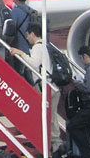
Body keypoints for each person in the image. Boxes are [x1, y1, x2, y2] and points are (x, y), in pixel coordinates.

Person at [10, 23, 64, 154]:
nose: (27, 38)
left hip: (44, 87)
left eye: (28, 35)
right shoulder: (46, 46)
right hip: (52, 86)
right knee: (51, 118)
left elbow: (33, 63)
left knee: (46, 118)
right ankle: (55, 146)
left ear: (32, 34)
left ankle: (54, 147)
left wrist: (21, 53)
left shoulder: (37, 47)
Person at [5, 0, 33, 83]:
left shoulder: (15, 11)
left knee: (20, 71)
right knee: (29, 71)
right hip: (31, 45)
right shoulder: (31, 11)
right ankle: (34, 88)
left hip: (20, 46)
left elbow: (12, 29)